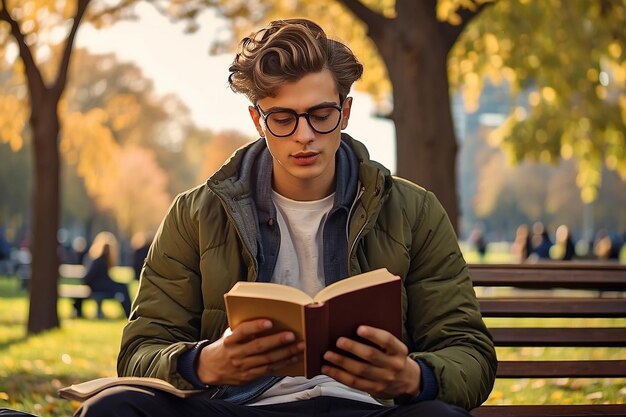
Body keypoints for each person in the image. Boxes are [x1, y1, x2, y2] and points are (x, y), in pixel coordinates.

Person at [76, 19, 496, 417]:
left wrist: (411, 376)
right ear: (258, 120)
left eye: (321, 115)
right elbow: (140, 351)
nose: (304, 135)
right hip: (240, 407)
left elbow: (469, 353)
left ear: (345, 113)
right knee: (113, 409)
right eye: (283, 118)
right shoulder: (196, 214)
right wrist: (203, 364)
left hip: (365, 408)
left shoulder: (414, 210)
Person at [80, 232, 131, 318]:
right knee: (122, 287)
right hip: (96, 287)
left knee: (122, 287)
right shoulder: (99, 260)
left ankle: (129, 312)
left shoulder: (102, 260)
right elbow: (88, 277)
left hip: (100, 285)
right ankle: (129, 312)